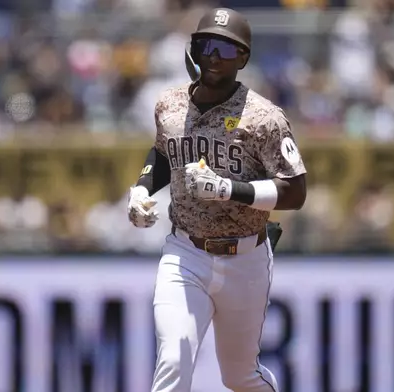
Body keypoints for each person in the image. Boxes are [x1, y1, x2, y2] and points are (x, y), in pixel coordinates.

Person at [127, 8, 307, 392]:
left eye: (225, 50)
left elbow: (295, 191)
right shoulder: (169, 105)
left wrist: (229, 189)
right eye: (204, 45)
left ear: (243, 58)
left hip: (246, 258)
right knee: (173, 358)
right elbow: (163, 153)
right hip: (185, 251)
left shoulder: (264, 118)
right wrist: (142, 188)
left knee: (240, 377)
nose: (212, 56)